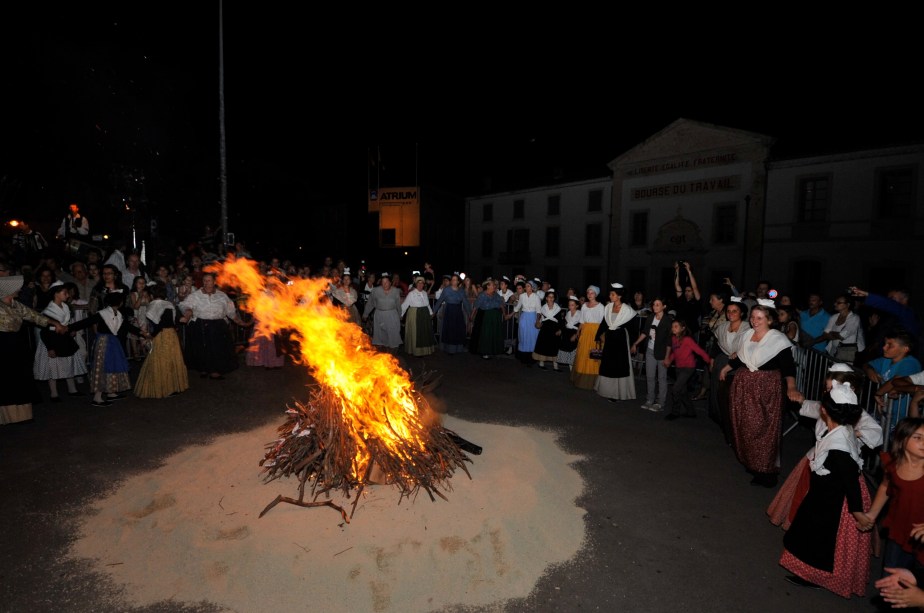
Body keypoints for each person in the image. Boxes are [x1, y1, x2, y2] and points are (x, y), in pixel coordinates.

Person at [778, 384, 873, 598]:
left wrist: (857, 511)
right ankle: (809, 573)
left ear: (824, 410)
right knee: (812, 535)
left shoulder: (839, 444)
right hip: (826, 495)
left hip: (835, 501)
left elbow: (849, 479)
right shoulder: (842, 430)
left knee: (823, 541)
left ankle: (818, 577)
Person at [768, 364, 882, 531]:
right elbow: (814, 407)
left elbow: (876, 432)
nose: (827, 393)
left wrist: (855, 433)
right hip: (816, 459)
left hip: (839, 472)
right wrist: (801, 400)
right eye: (827, 389)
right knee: (805, 496)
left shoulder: (857, 413)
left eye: (831, 389)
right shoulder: (827, 407)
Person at [720, 300, 801, 487]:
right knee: (744, 425)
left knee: (762, 429)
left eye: (759, 318)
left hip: (765, 388)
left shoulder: (778, 340)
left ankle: (766, 471)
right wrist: (726, 368)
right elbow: (741, 358)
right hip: (743, 387)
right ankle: (751, 462)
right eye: (753, 317)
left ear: (770, 320)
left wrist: (791, 387)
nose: (754, 321)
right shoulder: (747, 334)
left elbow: (788, 367)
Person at [862, 417, 924, 581]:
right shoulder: (893, 465)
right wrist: (871, 515)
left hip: (922, 539)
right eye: (918, 438)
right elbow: (885, 487)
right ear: (902, 440)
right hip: (899, 531)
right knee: (891, 581)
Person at [1, 275, 67, 424]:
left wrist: (55, 323)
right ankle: (7, 416)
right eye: (17, 287)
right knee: (7, 379)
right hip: (3, 346)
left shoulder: (16, 304)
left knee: (21, 377)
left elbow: (35, 316)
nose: (20, 289)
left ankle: (22, 416)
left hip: (16, 343)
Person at [69, 291, 148, 406]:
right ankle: (97, 397)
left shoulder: (116, 314)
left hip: (111, 342)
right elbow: (86, 322)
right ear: (120, 303)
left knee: (112, 366)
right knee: (103, 367)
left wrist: (141, 333)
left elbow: (126, 325)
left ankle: (111, 392)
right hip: (105, 343)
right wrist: (69, 328)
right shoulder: (104, 313)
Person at [178, 271, 250, 380]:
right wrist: (187, 314)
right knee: (202, 349)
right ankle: (204, 369)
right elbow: (185, 305)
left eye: (209, 280)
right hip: (200, 325)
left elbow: (230, 312)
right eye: (204, 281)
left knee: (217, 349)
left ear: (214, 282)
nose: (206, 283)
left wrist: (242, 323)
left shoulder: (222, 295)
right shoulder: (196, 295)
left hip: (218, 326)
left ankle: (215, 371)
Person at [33, 281, 86, 402]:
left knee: (68, 363)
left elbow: (65, 324)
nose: (68, 295)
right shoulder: (48, 311)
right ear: (56, 294)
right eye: (65, 293)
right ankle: (54, 394)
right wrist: (50, 347)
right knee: (53, 367)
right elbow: (44, 331)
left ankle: (72, 389)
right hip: (52, 340)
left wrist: (70, 330)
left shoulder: (65, 306)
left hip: (64, 339)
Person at [134, 283, 189, 398]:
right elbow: (175, 320)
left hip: (162, 335)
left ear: (152, 295)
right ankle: (173, 387)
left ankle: (162, 388)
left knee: (160, 360)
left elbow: (158, 324)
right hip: (172, 335)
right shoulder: (169, 304)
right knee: (172, 360)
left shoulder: (154, 305)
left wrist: (150, 335)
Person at [864, 331, 922, 431]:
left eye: (890, 345)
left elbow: (895, 381)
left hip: (901, 418)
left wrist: (879, 393)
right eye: (885, 344)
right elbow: (866, 364)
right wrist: (870, 370)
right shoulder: (886, 359)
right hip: (885, 413)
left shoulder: (910, 363)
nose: (884, 347)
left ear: (905, 349)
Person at [710, 298, 750, 440]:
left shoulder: (748, 328)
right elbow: (716, 346)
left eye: (735, 311)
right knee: (718, 392)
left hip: (739, 364)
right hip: (722, 361)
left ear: (742, 313)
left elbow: (750, 347)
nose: (731, 313)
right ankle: (723, 422)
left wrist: (738, 352)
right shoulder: (722, 327)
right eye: (729, 311)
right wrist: (712, 360)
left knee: (731, 395)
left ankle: (733, 428)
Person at [593, 283, 637, 402]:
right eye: (610, 294)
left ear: (619, 296)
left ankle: (617, 393)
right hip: (609, 339)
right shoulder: (608, 307)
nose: (610, 296)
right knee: (608, 364)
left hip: (620, 340)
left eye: (612, 294)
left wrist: (634, 344)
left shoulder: (628, 310)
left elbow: (633, 330)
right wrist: (599, 335)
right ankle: (606, 390)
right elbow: (604, 323)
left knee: (619, 366)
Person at [663, 320, 713, 420]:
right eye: (673, 326)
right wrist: (669, 359)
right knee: (682, 391)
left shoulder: (687, 340)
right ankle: (691, 412)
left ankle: (675, 412)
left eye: (676, 326)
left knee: (676, 389)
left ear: (683, 328)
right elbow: (676, 352)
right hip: (679, 367)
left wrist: (709, 361)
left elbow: (699, 351)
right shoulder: (673, 338)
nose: (673, 328)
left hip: (688, 367)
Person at [631, 297, 673, 412]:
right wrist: (635, 343)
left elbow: (670, 341)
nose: (655, 306)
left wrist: (667, 357)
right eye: (654, 304)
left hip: (662, 352)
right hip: (650, 350)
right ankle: (650, 400)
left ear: (664, 306)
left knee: (662, 378)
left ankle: (660, 402)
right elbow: (645, 333)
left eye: (658, 304)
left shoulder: (668, 321)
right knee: (649, 377)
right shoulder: (650, 317)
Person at [571, 285, 605, 390]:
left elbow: (602, 323)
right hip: (585, 333)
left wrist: (601, 336)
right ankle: (580, 380)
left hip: (595, 333)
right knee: (582, 355)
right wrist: (578, 332)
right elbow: (582, 321)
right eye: (588, 293)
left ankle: (593, 382)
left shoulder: (601, 306)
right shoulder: (584, 306)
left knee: (593, 357)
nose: (590, 295)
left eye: (592, 293)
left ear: (596, 294)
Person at [361, 272, 403, 351]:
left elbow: (398, 305)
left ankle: (393, 353)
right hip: (380, 315)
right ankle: (383, 353)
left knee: (393, 333)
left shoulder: (396, 291)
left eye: (386, 282)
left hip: (392, 315)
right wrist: (365, 314)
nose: (385, 284)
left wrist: (400, 314)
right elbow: (370, 303)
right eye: (383, 282)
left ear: (390, 282)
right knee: (381, 335)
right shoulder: (375, 291)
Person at [819, 295, 865, 363]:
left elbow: (843, 335)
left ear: (847, 305)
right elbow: (825, 334)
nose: (835, 304)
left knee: (843, 372)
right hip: (834, 351)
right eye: (835, 302)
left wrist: (831, 333)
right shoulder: (834, 317)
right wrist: (837, 335)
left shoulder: (854, 318)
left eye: (838, 302)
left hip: (848, 353)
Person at [432, 272, 469, 354]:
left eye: (455, 280)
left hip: (458, 312)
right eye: (452, 280)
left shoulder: (461, 291)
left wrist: (470, 314)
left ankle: (458, 349)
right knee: (449, 330)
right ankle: (449, 349)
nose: (453, 281)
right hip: (449, 311)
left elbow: (466, 303)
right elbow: (439, 301)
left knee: (458, 330)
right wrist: (433, 312)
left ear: (458, 281)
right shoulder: (446, 290)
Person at [468, 278, 505, 359]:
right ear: (488, 286)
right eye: (493, 285)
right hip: (484, 317)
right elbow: (476, 306)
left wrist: (504, 314)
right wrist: (471, 316)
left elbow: (501, 304)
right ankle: (484, 352)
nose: (495, 286)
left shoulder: (496, 295)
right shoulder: (482, 295)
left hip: (494, 318)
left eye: (495, 285)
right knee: (485, 334)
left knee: (493, 335)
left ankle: (493, 350)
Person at [401, 275, 436, 357]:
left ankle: (424, 351)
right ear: (416, 284)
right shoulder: (411, 294)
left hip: (424, 315)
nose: (420, 285)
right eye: (419, 283)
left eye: (422, 283)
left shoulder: (424, 293)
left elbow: (427, 305)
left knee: (424, 333)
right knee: (416, 333)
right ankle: (415, 351)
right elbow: (405, 305)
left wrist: (431, 313)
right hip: (414, 314)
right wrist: (401, 314)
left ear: (424, 284)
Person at [532, 288, 563, 370]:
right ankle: (541, 363)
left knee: (554, 347)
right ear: (546, 298)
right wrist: (538, 323)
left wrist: (560, 329)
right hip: (545, 330)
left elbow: (560, 321)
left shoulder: (558, 309)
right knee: (543, 346)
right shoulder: (543, 308)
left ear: (554, 298)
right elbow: (541, 319)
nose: (551, 298)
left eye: (552, 297)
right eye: (549, 297)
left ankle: (555, 366)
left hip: (554, 330)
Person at [513, 280, 541, 365]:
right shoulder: (522, 296)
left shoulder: (536, 297)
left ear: (532, 288)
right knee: (523, 336)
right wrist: (509, 315)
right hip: (524, 318)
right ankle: (523, 358)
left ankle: (532, 359)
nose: (526, 287)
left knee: (532, 337)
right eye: (526, 286)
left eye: (528, 286)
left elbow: (538, 311)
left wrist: (537, 321)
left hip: (533, 317)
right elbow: (517, 308)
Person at [556, 295, 582, 372]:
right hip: (567, 333)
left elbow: (581, 326)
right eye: (569, 305)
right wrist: (561, 330)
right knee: (567, 350)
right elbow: (566, 324)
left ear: (577, 305)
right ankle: (571, 368)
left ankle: (574, 369)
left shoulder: (580, 314)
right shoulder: (568, 313)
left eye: (572, 305)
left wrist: (576, 334)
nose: (570, 306)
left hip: (574, 333)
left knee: (574, 350)